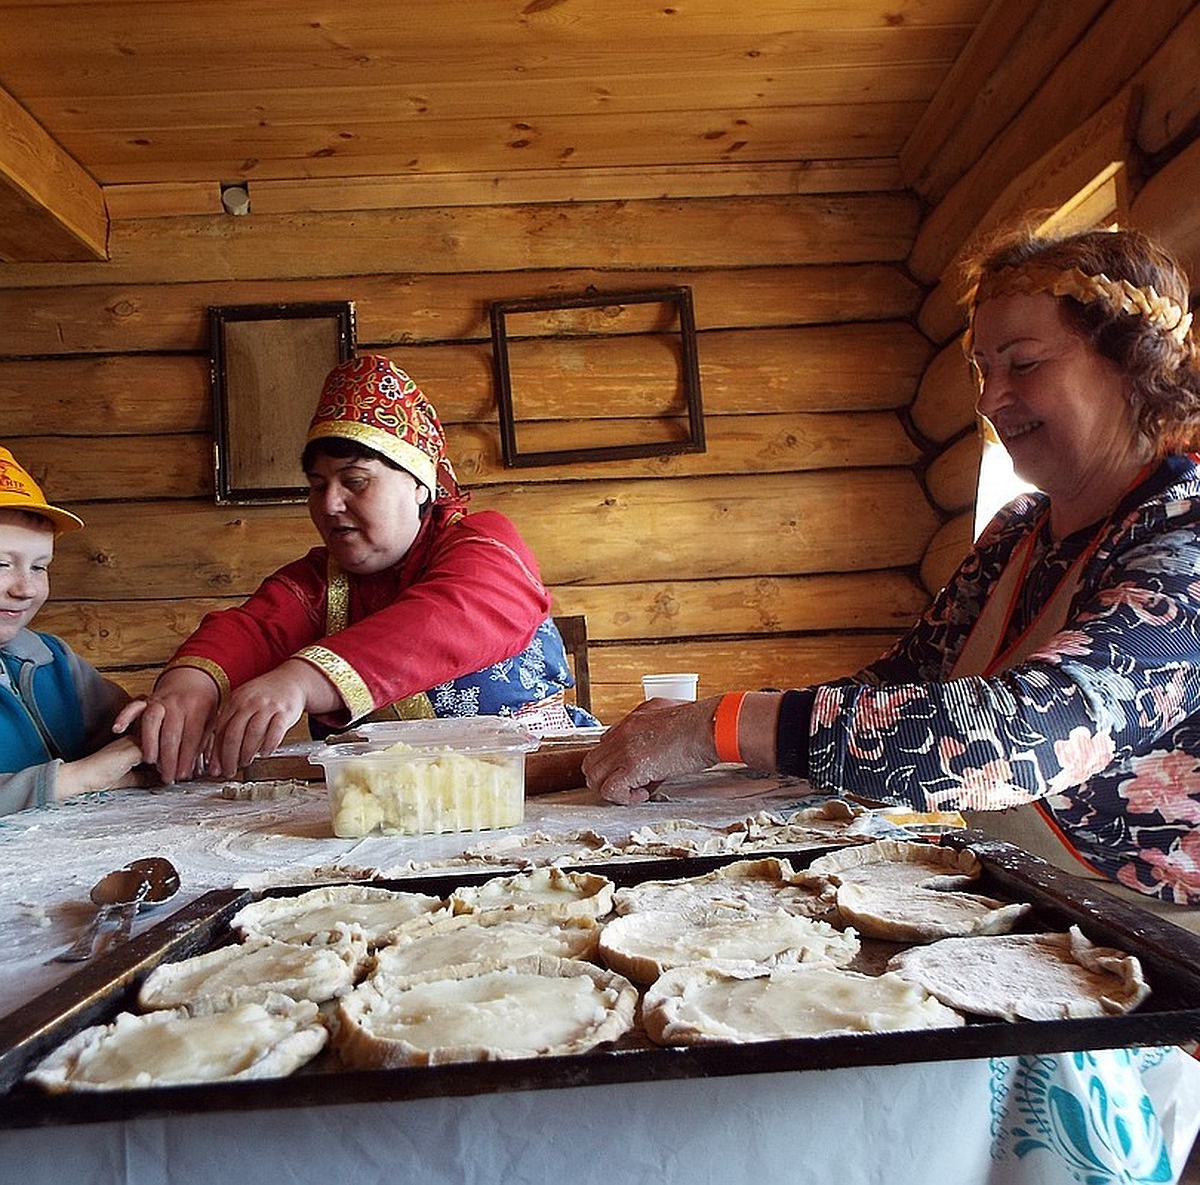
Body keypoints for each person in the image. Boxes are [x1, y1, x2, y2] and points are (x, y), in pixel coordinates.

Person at [584, 222, 1200, 913]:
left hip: (1158, 944)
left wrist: (719, 726)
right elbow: (899, 684)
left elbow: (1029, 736)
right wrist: (711, 731)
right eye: (982, 369)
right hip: (1014, 895)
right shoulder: (1020, 531)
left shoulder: (1186, 543)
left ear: (1134, 365)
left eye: (1022, 364)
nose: (989, 399)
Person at [125, 354, 597, 784]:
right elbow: (252, 629)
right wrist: (191, 685)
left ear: (419, 485)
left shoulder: (485, 543)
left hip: (537, 786)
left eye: (354, 481)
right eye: (316, 485)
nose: (329, 504)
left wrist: (300, 680)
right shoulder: (319, 584)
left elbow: (453, 613)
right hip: (389, 808)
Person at [0, 448, 147, 814]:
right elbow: (98, 771)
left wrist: (152, 725)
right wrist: (79, 778)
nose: (26, 589)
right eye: (2, 563)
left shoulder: (51, 659)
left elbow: (121, 730)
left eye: (39, 567)